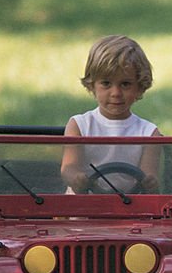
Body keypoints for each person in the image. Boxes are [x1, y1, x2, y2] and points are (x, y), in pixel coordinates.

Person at [61, 35, 162, 193]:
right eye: (106, 83)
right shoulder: (79, 125)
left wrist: (150, 182)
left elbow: (149, 175)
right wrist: (76, 178)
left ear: (140, 87)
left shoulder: (149, 133)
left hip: (128, 207)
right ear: (92, 85)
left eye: (125, 84)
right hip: (82, 206)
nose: (116, 93)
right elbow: (68, 168)